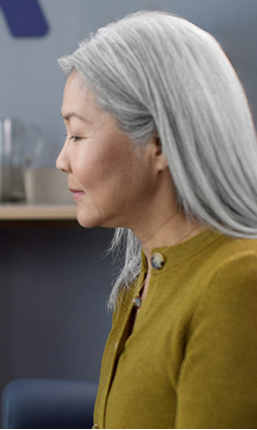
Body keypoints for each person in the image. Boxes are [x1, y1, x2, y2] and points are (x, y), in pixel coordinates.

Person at [56, 11, 257, 428]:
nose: (61, 160)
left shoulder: (238, 284)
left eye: (77, 134)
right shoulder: (145, 275)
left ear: (159, 144)